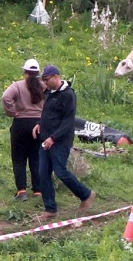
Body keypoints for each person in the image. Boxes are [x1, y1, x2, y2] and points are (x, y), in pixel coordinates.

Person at [32, 65, 95, 219]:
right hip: (45, 139)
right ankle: (50, 209)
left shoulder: (68, 95)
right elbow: (47, 113)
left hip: (61, 140)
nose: (45, 83)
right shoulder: (48, 93)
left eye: (47, 80)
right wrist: (40, 124)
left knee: (60, 171)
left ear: (56, 76)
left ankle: (86, 194)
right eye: (43, 80)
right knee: (43, 173)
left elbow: (68, 122)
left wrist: (53, 138)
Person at [1, 58, 45, 201]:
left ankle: (21, 191)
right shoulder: (44, 86)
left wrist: (12, 112)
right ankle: (38, 190)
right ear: (38, 73)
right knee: (36, 157)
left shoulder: (18, 86)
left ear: (25, 72)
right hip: (39, 124)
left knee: (19, 158)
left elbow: (6, 97)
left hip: (20, 124)